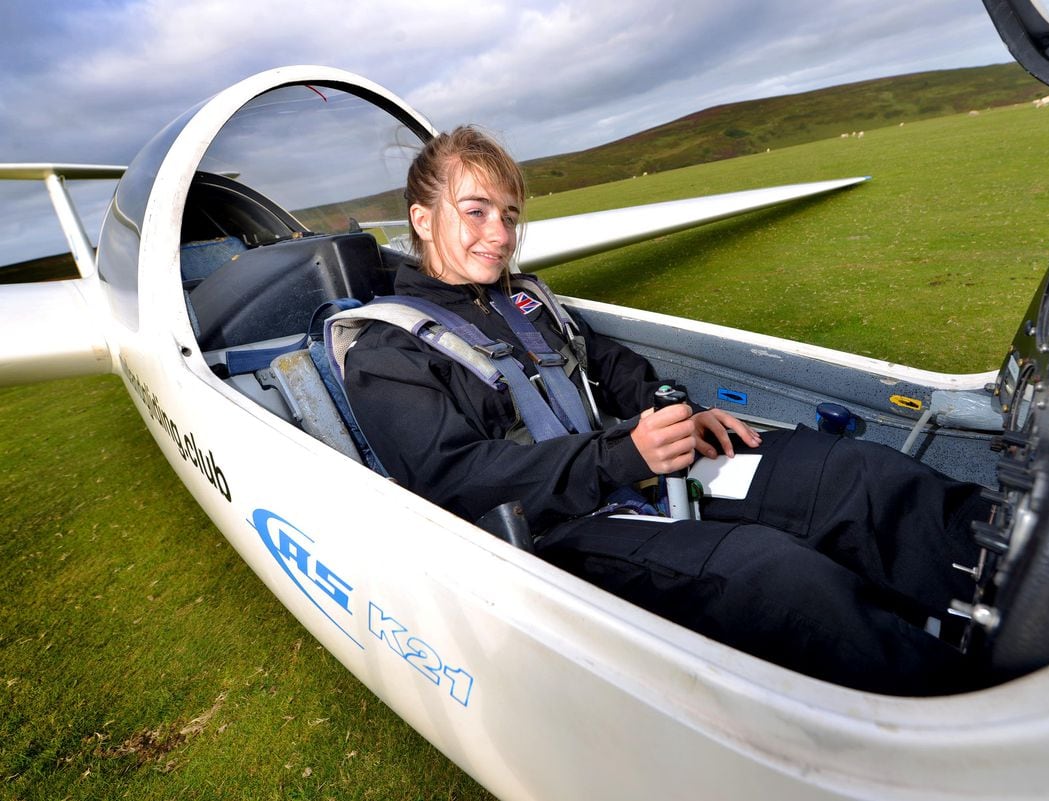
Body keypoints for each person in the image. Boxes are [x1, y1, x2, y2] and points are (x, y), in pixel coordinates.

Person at [342, 126, 991, 695]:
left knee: (854, 476)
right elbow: (457, 481)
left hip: (633, 467)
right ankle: (971, 714)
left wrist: (672, 412)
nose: (500, 235)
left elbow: (607, 365)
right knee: (776, 577)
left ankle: (1015, 587)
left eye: (509, 216)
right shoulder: (387, 351)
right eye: (476, 211)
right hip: (555, 540)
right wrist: (623, 453)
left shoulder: (524, 299)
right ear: (422, 218)